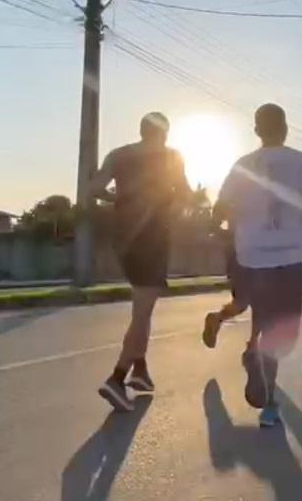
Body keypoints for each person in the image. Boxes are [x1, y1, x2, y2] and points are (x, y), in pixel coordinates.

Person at [215, 103, 302, 427]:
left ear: (257, 130)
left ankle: (257, 362)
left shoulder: (242, 165)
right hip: (289, 255)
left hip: (252, 254)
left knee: (267, 325)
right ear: (286, 127)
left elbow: (219, 209)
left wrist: (237, 218)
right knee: (283, 334)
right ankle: (269, 399)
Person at [93, 112, 190, 412]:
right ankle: (117, 378)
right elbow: (184, 196)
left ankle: (141, 372)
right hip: (152, 237)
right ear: (165, 133)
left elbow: (94, 189)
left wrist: (120, 202)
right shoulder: (171, 156)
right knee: (143, 310)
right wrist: (168, 216)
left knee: (142, 308)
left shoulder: (118, 155)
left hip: (123, 237)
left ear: (141, 130)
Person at [202, 226, 255, 352]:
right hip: (249, 255)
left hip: (239, 255)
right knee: (254, 300)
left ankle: (217, 318)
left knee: (244, 301)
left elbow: (218, 215)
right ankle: (254, 342)